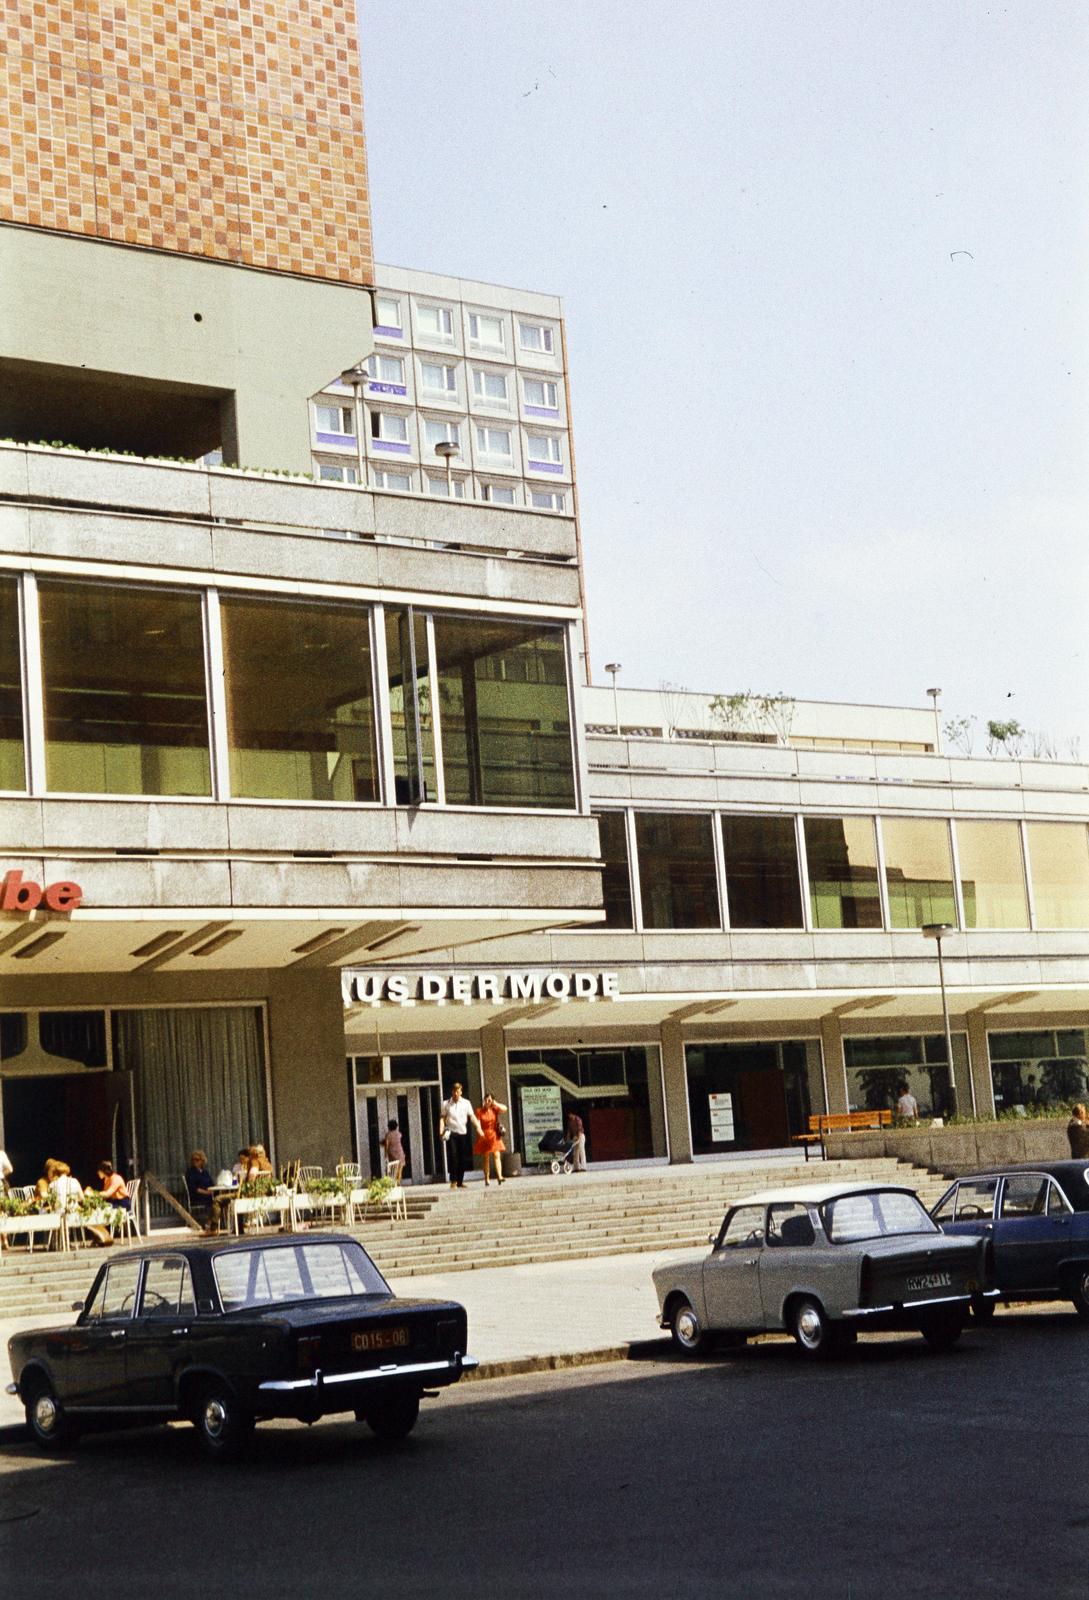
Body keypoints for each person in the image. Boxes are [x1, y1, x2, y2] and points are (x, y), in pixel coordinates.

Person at [439, 1082, 480, 1190]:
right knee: (453, 1157)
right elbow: (442, 1118)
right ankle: (453, 1180)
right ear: (452, 1092)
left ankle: (460, 1181)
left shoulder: (466, 1103)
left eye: (458, 1091)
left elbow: (472, 1116)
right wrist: (441, 1130)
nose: (456, 1094)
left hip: (463, 1133)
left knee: (462, 1158)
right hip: (452, 1133)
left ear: (461, 1092)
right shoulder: (446, 1104)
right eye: (454, 1091)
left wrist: (478, 1127)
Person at [473, 1093, 507, 1187]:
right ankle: (487, 1178)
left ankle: (499, 1176)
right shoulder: (479, 1111)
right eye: (486, 1100)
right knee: (486, 1157)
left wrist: (495, 1103)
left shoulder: (494, 1109)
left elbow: (505, 1108)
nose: (487, 1102)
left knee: (497, 1154)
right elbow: (478, 1123)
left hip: (494, 1134)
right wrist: (479, 1131)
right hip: (484, 1134)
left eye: (489, 1100)